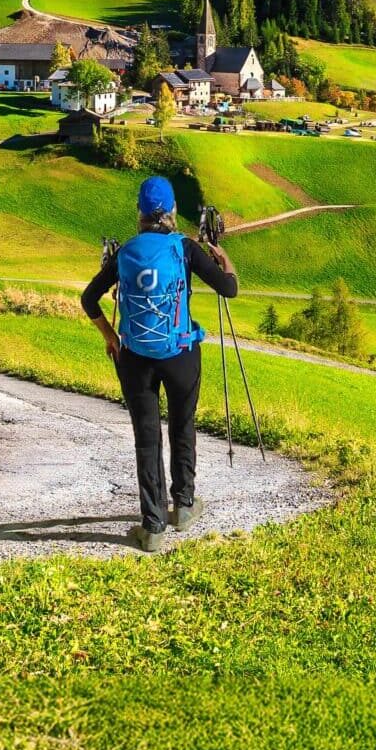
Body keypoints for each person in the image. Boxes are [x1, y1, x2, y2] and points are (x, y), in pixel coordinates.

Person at [81, 174, 238, 552]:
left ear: (139, 212)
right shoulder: (184, 248)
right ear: (171, 211)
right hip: (181, 354)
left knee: (146, 439)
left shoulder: (127, 252)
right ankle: (184, 506)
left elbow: (89, 299)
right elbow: (229, 288)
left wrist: (112, 339)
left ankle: (152, 527)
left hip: (135, 359)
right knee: (182, 426)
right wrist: (223, 257)